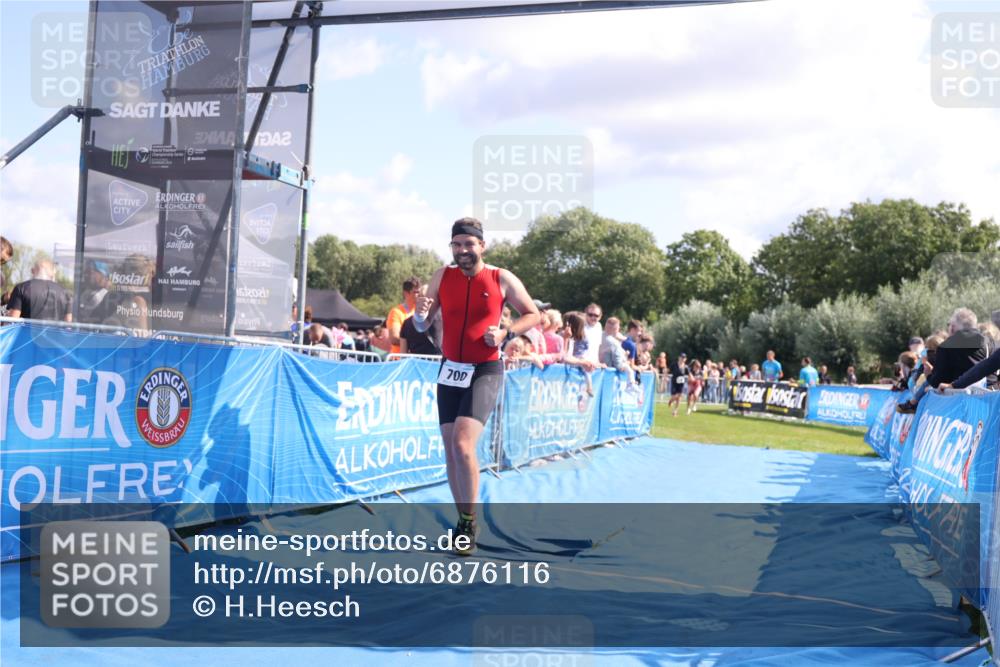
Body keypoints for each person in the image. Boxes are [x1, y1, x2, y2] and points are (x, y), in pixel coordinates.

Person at [413, 217, 539, 555]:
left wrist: (504, 333)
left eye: (469, 244)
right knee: (451, 450)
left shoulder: (501, 277)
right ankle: (464, 518)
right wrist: (418, 312)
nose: (463, 250)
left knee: (463, 445)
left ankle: (468, 521)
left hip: (485, 368)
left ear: (482, 245)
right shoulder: (443, 276)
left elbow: (533, 314)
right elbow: (423, 322)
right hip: (450, 368)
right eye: (457, 244)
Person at [897, 308, 990, 413]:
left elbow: (938, 382)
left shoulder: (946, 347)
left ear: (953, 327)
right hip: (981, 405)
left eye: (949, 324)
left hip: (954, 407)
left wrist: (928, 375)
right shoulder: (988, 343)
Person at [6, 259, 72, 322]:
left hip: (26, 333)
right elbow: (68, 322)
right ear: (52, 273)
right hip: (54, 333)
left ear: (33, 270)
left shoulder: (21, 288)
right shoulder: (64, 292)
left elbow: (13, 320)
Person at [386, 277, 421, 355]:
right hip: (399, 360)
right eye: (416, 292)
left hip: (416, 360)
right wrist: (416, 344)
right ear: (406, 293)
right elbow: (394, 339)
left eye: (419, 292)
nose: (419, 295)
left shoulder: (421, 311)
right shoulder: (396, 312)